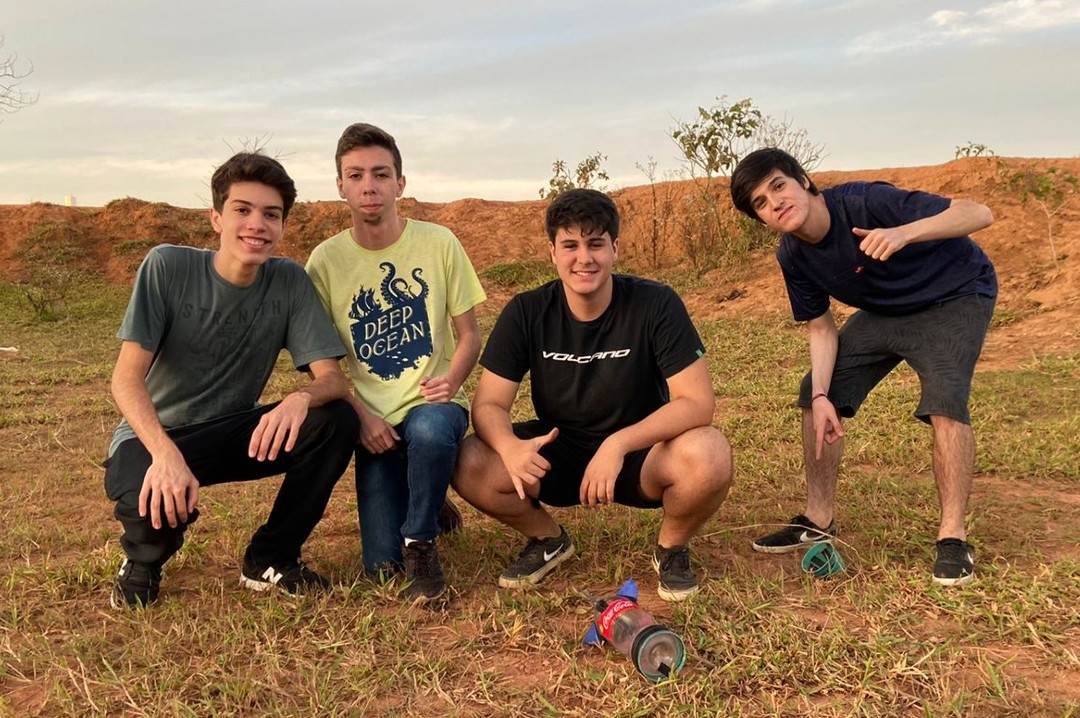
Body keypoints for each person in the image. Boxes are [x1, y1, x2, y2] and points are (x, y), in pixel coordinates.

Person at [729, 147, 997, 586]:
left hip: (956, 294)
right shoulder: (792, 255)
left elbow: (978, 213)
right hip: (887, 311)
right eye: (761, 202)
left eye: (778, 186)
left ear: (803, 181)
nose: (775, 203)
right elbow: (821, 327)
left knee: (944, 397)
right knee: (816, 394)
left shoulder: (865, 202)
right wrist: (821, 395)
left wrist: (904, 233)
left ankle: (952, 538)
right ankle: (818, 519)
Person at [104, 152, 359, 608]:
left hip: (233, 431)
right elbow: (125, 379)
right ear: (216, 218)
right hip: (154, 436)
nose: (257, 224)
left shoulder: (288, 281)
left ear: (282, 226)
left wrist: (300, 397)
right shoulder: (167, 267)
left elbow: (333, 380)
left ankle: (271, 556)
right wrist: (164, 453)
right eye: (243, 210)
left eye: (271, 214)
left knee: (336, 421)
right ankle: (144, 559)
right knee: (150, 502)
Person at [452, 188, 733, 602]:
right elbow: (489, 403)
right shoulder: (527, 311)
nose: (584, 258)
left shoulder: (655, 303)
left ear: (615, 248)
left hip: (641, 454)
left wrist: (618, 444)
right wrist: (510, 447)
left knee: (710, 453)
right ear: (552, 252)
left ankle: (671, 548)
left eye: (596, 244)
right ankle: (547, 539)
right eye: (570, 245)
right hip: (559, 451)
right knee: (467, 459)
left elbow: (697, 403)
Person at [306, 123, 486, 603]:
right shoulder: (324, 262)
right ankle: (430, 493)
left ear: (400, 183)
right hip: (375, 423)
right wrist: (362, 418)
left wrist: (452, 380)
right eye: (356, 175)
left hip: (434, 407)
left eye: (381, 174)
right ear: (340, 185)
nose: (369, 186)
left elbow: (470, 335)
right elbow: (322, 365)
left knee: (428, 430)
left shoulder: (440, 243)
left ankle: (421, 541)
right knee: (380, 568)